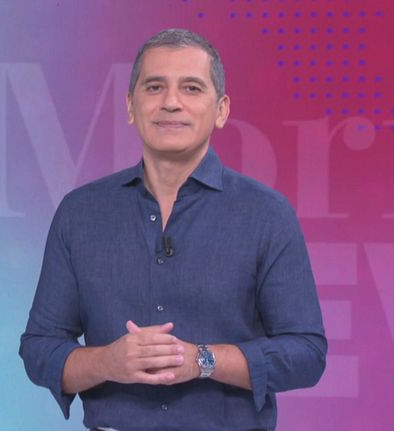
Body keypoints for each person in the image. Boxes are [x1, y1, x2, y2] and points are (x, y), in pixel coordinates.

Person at [19, 28, 326, 431]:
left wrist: (202, 360)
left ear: (221, 109)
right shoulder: (80, 213)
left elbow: (306, 353)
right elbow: (39, 348)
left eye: (191, 88)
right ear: (131, 106)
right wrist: (108, 361)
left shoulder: (267, 214)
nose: (170, 102)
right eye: (154, 87)